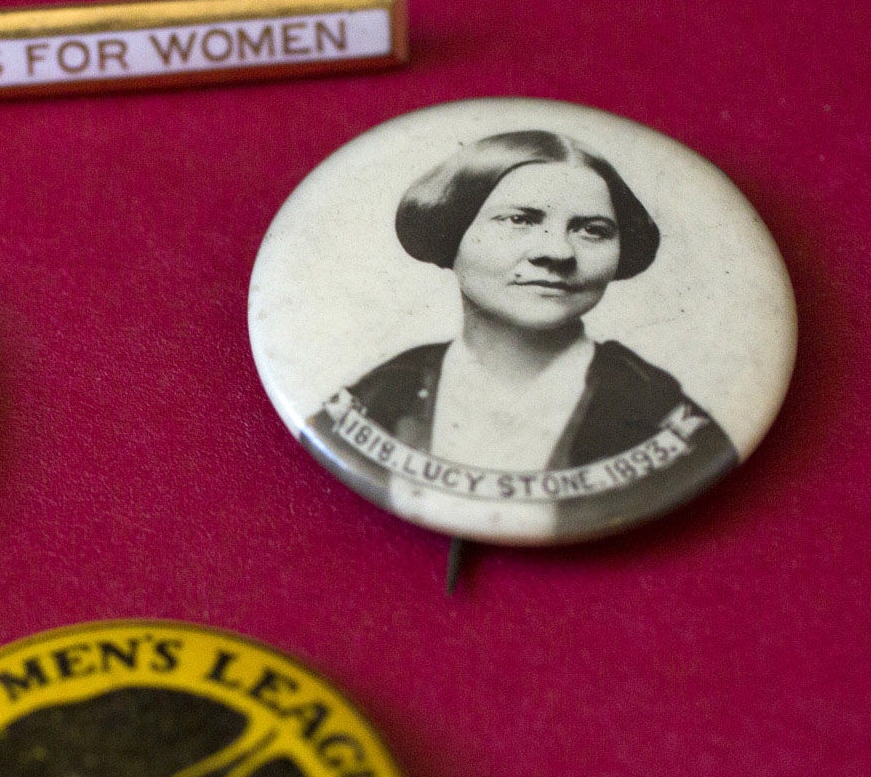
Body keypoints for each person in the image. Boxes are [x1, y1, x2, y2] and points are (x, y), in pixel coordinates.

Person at [312, 129, 734, 535]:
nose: (556, 251)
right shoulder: (379, 397)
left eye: (592, 230)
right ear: (452, 234)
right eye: (520, 220)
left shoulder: (661, 416)